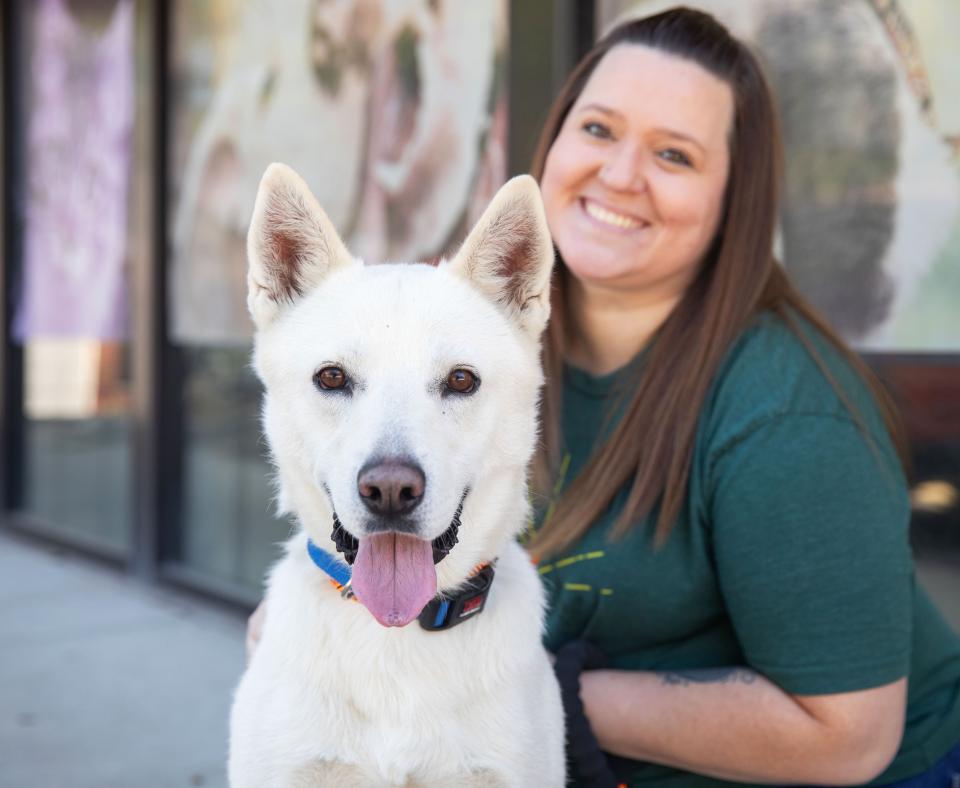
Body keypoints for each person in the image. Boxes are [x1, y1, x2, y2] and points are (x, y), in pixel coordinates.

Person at [248, 7, 960, 786]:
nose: (621, 174)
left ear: (734, 198)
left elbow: (848, 737)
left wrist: (520, 690)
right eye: (597, 130)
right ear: (551, 142)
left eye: (674, 154)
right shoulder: (465, 327)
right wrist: (314, 631)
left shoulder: (787, 414)